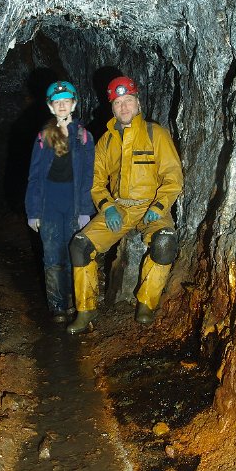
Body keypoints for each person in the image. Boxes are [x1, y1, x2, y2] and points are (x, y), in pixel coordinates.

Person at [66, 76, 183, 334]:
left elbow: (173, 177)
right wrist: (107, 206)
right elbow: (95, 181)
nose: (124, 107)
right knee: (80, 246)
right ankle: (86, 309)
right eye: (118, 103)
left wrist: (159, 206)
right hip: (119, 208)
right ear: (112, 108)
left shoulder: (156, 134)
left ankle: (146, 303)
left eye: (128, 101)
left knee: (164, 243)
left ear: (138, 103)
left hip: (152, 206)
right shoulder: (107, 141)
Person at [25, 81, 96, 323]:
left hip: (74, 204)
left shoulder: (84, 137)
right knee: (53, 256)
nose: (62, 105)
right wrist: (33, 211)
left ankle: (76, 302)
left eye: (66, 101)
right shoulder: (43, 137)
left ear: (73, 104)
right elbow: (34, 177)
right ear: (51, 107)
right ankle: (58, 306)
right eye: (57, 102)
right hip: (49, 206)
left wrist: (85, 210)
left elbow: (88, 176)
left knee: (73, 254)